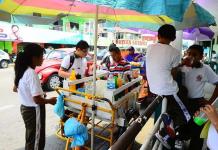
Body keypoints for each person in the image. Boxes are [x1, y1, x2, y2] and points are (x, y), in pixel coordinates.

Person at [146, 24, 191, 149]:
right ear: (173, 38)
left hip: (153, 88)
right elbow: (173, 72)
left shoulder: (149, 47)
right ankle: (166, 132)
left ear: (158, 35)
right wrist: (181, 64)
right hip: (166, 89)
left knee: (175, 103)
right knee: (186, 113)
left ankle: (170, 121)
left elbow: (161, 64)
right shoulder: (175, 52)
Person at [13, 43, 56, 150]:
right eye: (41, 56)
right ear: (34, 58)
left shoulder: (21, 69)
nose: (43, 59)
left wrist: (38, 93)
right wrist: (50, 100)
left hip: (25, 108)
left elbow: (15, 88)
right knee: (37, 139)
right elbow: (37, 100)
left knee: (31, 137)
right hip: (34, 110)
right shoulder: (31, 73)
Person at [179, 44, 218, 150]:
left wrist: (210, 101)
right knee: (181, 129)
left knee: (197, 132)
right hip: (181, 103)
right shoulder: (181, 66)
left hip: (197, 104)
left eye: (194, 54)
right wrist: (180, 65)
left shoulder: (205, 69)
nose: (190, 56)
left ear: (201, 57)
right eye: (188, 53)